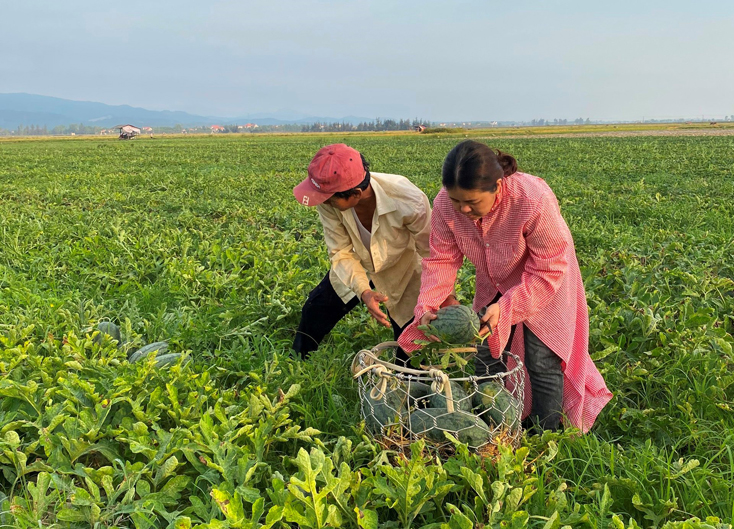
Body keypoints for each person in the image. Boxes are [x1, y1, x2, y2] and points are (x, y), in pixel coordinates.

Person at [398, 140, 612, 433]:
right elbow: (442, 259)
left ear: (497, 186)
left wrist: (509, 307)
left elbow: (549, 266)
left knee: (541, 358)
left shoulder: (532, 199)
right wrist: (429, 304)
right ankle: (490, 421)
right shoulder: (445, 206)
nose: (463, 209)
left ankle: (544, 432)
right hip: (495, 278)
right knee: (486, 351)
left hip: (546, 281)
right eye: (457, 200)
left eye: (472, 202)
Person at [292, 143, 432, 359]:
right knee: (315, 310)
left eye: (329, 199)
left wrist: (440, 295)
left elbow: (430, 251)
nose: (324, 202)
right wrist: (364, 291)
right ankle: (298, 361)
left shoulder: (408, 199)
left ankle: (407, 377)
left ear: (355, 193)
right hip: (355, 263)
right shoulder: (328, 199)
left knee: (409, 345)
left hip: (400, 267)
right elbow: (341, 252)